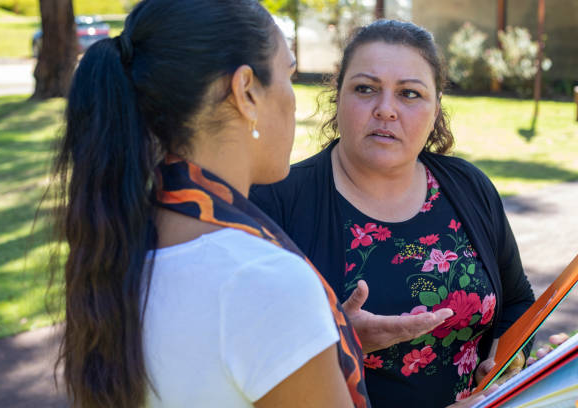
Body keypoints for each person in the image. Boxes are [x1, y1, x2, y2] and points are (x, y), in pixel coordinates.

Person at [49, 0, 372, 406]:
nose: (294, 100)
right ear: (246, 92)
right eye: (288, 75)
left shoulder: (120, 245)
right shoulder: (264, 282)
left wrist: (313, 340)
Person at [250, 19, 535, 407]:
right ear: (338, 97)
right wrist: (336, 340)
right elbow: (245, 350)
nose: (386, 109)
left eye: (409, 94)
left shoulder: (469, 187)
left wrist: (505, 366)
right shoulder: (276, 203)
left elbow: (517, 301)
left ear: (436, 109)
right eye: (365, 89)